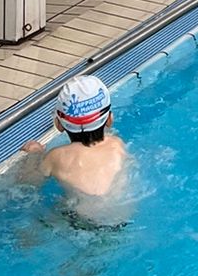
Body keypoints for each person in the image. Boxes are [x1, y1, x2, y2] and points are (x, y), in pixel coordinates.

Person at [24, 75, 129, 205]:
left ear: (59, 124)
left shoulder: (56, 156)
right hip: (120, 216)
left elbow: (28, 182)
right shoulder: (117, 145)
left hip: (77, 219)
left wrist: (34, 154)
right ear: (109, 119)